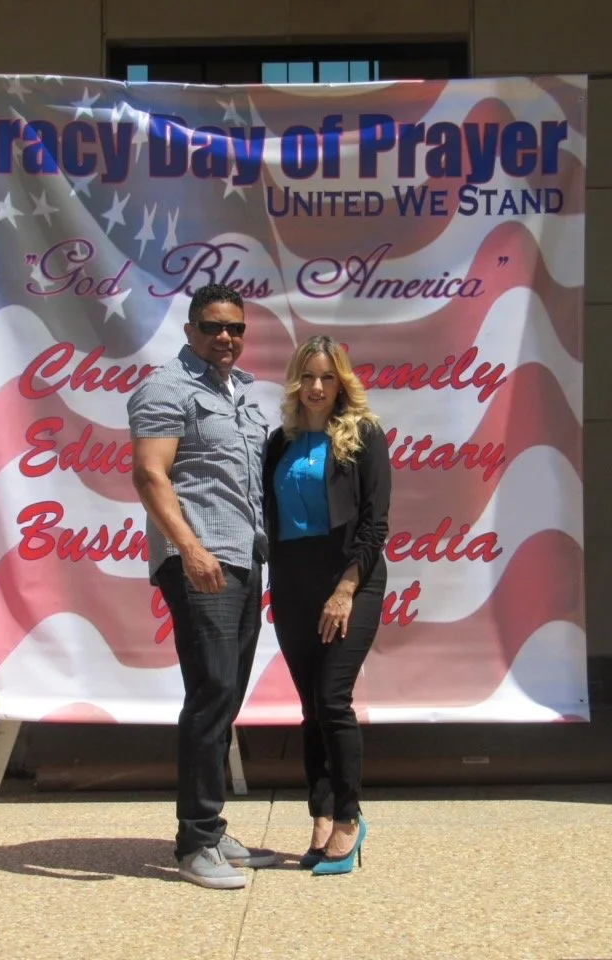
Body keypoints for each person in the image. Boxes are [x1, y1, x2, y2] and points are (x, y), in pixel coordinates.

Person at [127, 283, 277, 890]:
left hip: (242, 558)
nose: (225, 337)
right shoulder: (167, 388)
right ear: (190, 330)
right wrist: (190, 550)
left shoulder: (239, 393)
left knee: (227, 694)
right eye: (213, 326)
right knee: (211, 690)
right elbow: (149, 474)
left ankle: (210, 829)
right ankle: (194, 844)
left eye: (235, 328)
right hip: (200, 558)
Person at [261, 335, 391, 876]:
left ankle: (349, 817)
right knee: (310, 706)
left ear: (342, 382)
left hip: (351, 582)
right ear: (296, 381)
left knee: (333, 699)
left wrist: (344, 589)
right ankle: (319, 813)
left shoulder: (364, 435)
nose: (316, 387)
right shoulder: (278, 441)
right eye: (308, 377)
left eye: (327, 377)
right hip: (293, 584)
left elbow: (374, 523)